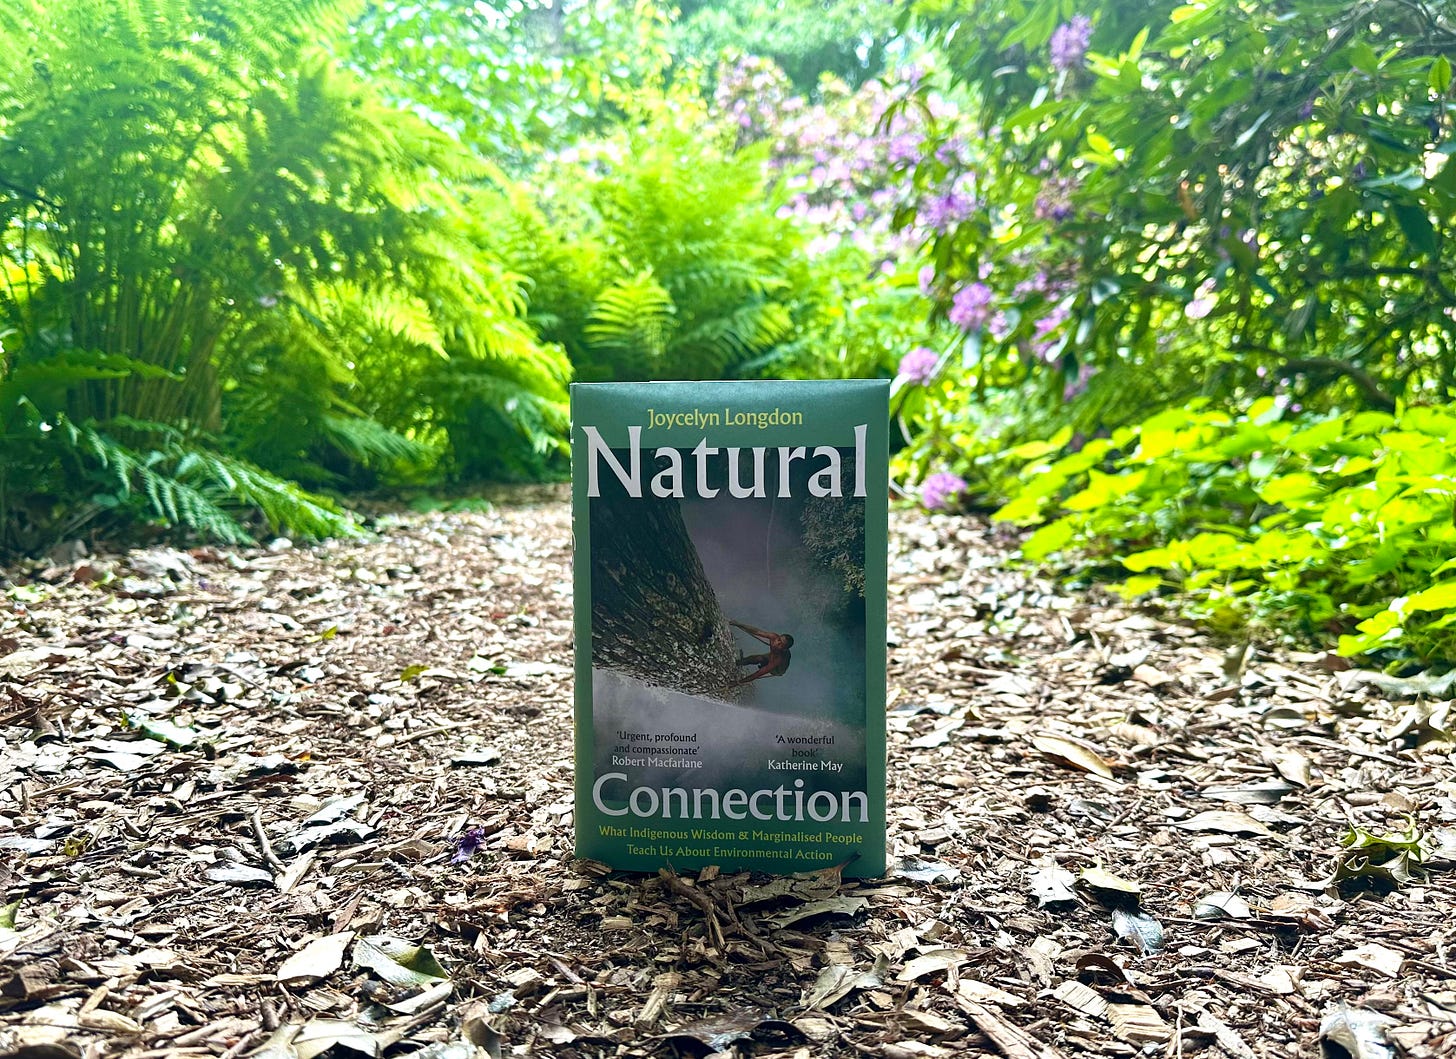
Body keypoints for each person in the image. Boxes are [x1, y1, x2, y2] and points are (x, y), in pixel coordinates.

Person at [728, 619, 793, 686]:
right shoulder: (773, 637)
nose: (776, 643)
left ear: (784, 649)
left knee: (762, 661)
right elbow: (757, 631)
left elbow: (757, 674)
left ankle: (762, 663)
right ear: (778, 637)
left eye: (781, 645)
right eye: (778, 640)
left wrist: (737, 683)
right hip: (774, 655)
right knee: (757, 658)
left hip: (778, 669)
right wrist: (738, 624)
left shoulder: (777, 659)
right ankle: (738, 662)